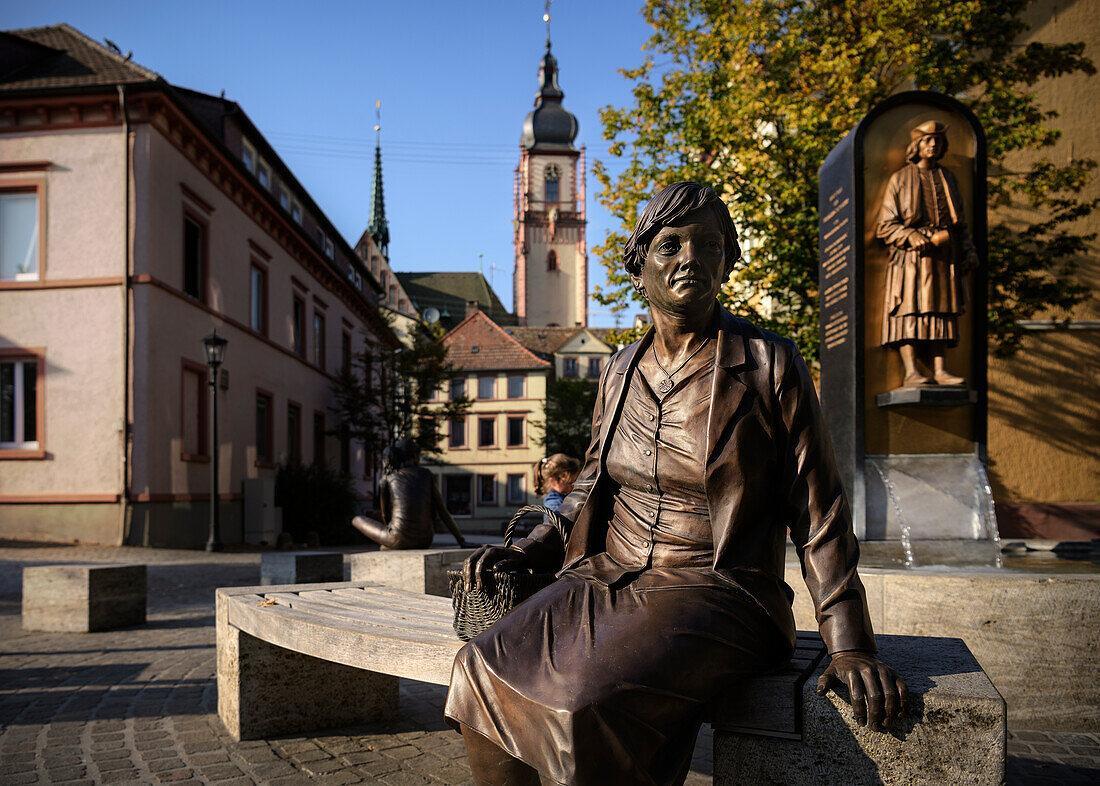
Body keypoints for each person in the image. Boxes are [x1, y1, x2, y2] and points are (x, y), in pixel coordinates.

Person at [447, 182, 907, 786]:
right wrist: (531, 542)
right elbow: (590, 483)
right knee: (479, 666)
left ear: (726, 261)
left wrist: (849, 644)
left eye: (709, 245)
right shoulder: (618, 369)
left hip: (720, 588)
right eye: (670, 245)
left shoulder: (769, 363)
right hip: (608, 573)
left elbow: (817, 509)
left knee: (582, 701)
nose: (690, 258)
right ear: (641, 266)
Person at [877, 119, 980, 387]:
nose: (933, 145)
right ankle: (911, 370)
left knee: (941, 311)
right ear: (917, 145)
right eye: (927, 140)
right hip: (911, 260)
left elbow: (961, 225)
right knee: (909, 311)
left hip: (944, 259)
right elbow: (885, 225)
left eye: (938, 141)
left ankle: (940, 369)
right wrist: (911, 235)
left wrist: (968, 250)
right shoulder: (900, 178)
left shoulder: (948, 179)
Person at [352, 438, 468, 550]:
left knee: (357, 519)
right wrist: (461, 541)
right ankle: (389, 545)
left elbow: (386, 516)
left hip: (398, 538)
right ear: (414, 456)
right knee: (387, 543)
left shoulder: (388, 478)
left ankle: (389, 544)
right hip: (425, 540)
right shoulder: (426, 474)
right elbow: (442, 511)